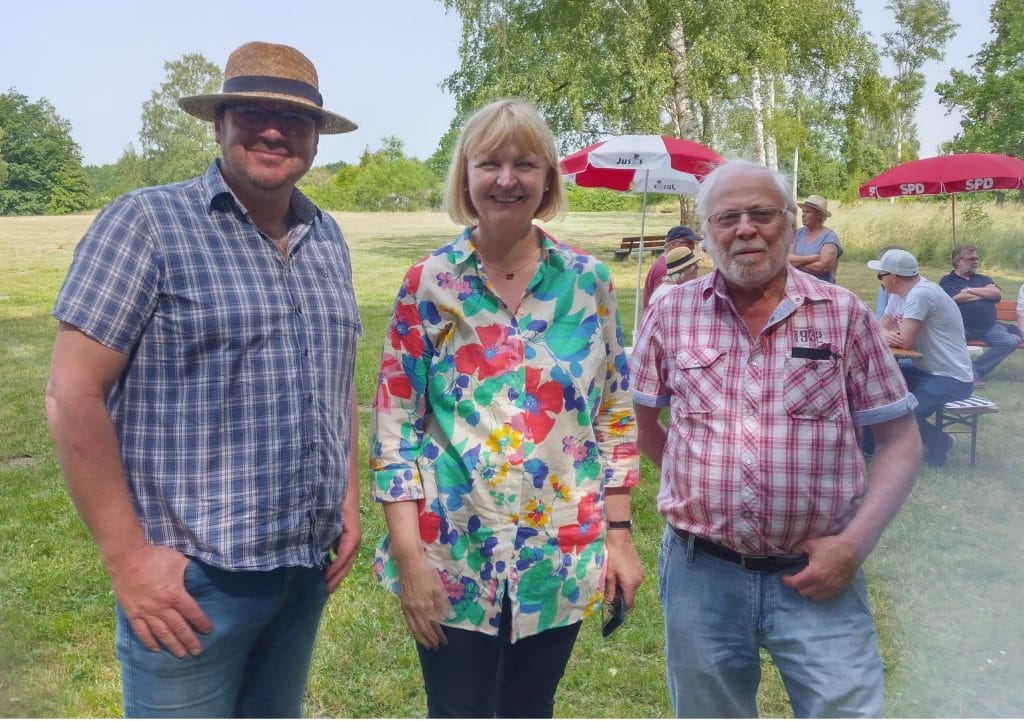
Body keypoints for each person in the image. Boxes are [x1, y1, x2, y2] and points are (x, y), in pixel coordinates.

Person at [44, 42, 362, 718]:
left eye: (294, 117)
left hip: (302, 572)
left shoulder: (326, 236)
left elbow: (334, 382)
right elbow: (72, 393)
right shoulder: (146, 224)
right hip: (191, 586)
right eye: (252, 111)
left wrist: (350, 503)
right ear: (217, 123)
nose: (273, 129)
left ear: (314, 138)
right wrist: (128, 559)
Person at [369, 98, 642, 719]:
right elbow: (395, 428)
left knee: (530, 707)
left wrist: (619, 537)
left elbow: (613, 416)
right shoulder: (429, 282)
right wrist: (410, 560)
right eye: (489, 163)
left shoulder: (588, 280)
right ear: (465, 175)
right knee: (457, 708)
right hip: (453, 551)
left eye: (525, 164)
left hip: (562, 550)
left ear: (547, 179)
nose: (506, 179)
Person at [630, 159, 922, 718]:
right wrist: (698, 487)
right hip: (700, 574)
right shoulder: (671, 310)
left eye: (761, 214)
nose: (745, 229)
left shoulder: (842, 315)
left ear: (789, 224)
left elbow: (900, 440)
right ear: (707, 231)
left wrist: (853, 545)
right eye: (727, 218)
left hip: (819, 576)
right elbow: (643, 423)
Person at [870, 249, 974, 466]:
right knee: (876, 394)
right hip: (924, 370)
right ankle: (869, 447)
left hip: (950, 377)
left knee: (907, 417)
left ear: (893, 277)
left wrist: (889, 333)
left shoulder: (921, 294)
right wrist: (889, 333)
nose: (878, 279)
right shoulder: (897, 295)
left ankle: (941, 442)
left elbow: (903, 342)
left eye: (880, 275)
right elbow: (880, 329)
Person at [939, 244, 1018, 385]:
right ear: (958, 262)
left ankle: (974, 370)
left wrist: (969, 290)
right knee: (950, 344)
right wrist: (984, 293)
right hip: (961, 327)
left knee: (1009, 342)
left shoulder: (983, 278)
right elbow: (955, 298)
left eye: (976, 258)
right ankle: (970, 374)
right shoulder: (947, 281)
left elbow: (996, 294)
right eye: (971, 259)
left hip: (988, 327)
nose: (976, 262)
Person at [642, 225, 701, 309]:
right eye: (688, 242)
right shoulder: (666, 269)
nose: (693, 247)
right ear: (672, 244)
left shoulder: (665, 262)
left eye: (693, 243)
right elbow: (661, 304)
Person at [788, 194, 842, 283]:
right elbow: (787, 259)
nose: (803, 215)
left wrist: (795, 264)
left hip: (822, 289)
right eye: (803, 211)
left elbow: (823, 267)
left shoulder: (829, 237)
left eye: (808, 212)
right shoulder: (796, 233)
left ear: (819, 216)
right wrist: (812, 258)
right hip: (797, 287)